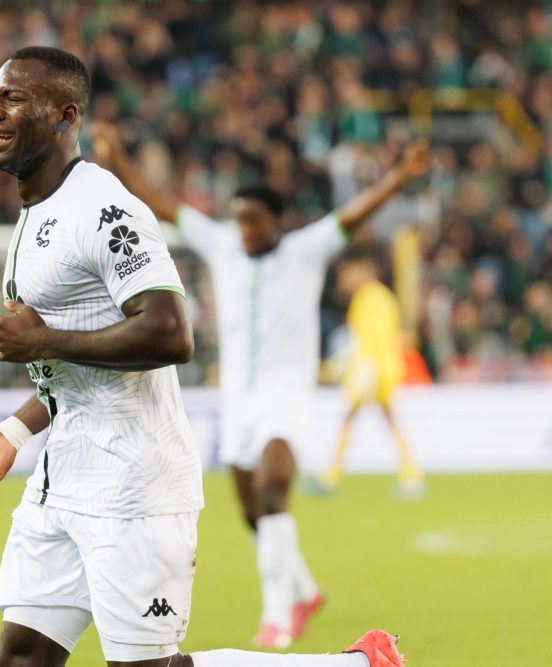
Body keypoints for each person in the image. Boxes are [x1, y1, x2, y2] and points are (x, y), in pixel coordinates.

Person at [0, 45, 406, 667]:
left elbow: (169, 334)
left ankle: (349, 666)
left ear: (64, 115)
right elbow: (77, 370)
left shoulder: (105, 209)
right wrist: (13, 430)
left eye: (13, 98)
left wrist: (41, 341)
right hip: (63, 478)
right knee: (22, 659)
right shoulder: (38, 212)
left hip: (135, 483)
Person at [92, 122, 430, 650]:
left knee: (274, 492)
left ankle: (278, 616)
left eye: (253, 221)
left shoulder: (304, 249)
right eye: (240, 221)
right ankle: (305, 588)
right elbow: (162, 202)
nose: (245, 230)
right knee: (254, 513)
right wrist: (117, 160)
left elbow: (355, 214)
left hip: (286, 397)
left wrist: (400, 176)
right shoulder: (223, 244)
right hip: (238, 401)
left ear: (276, 221)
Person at [317, 249, 424, 497]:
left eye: (347, 275)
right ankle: (410, 475)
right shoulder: (378, 297)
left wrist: (364, 369)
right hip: (380, 369)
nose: (344, 281)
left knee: (354, 420)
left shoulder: (370, 298)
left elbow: (375, 339)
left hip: (373, 371)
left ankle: (331, 477)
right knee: (385, 421)